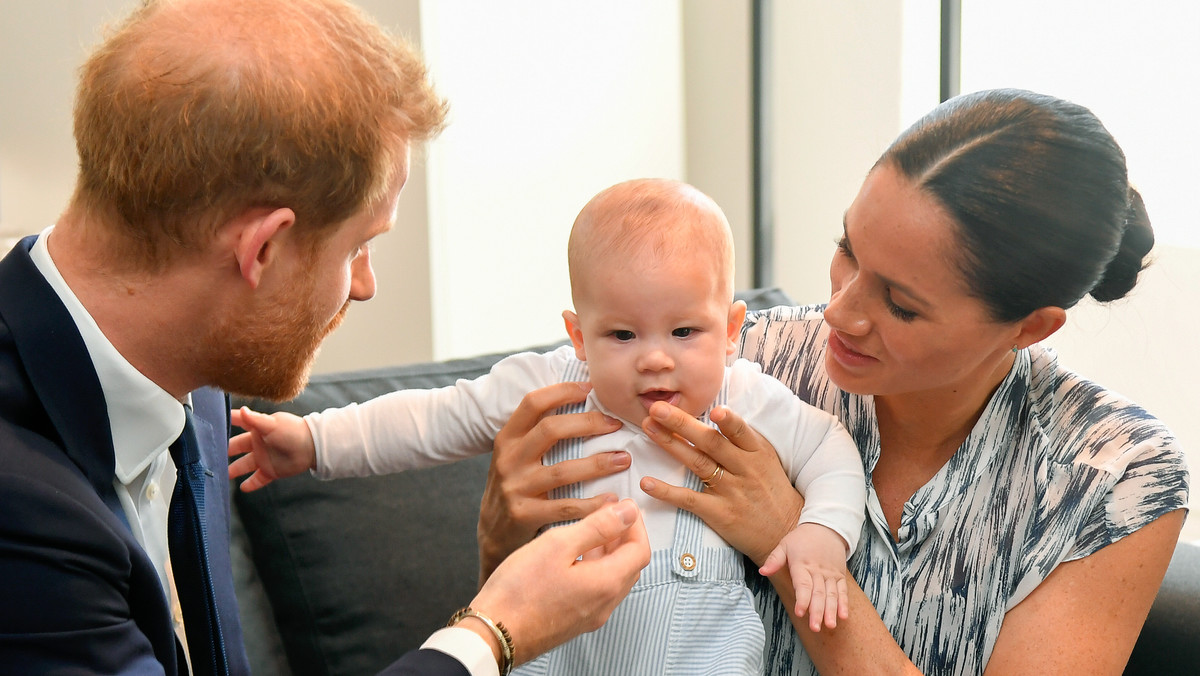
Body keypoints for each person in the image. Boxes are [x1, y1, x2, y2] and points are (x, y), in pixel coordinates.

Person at [0, 1, 650, 675]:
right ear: (264, 249)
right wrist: (493, 635)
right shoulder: (22, 512)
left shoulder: (194, 373)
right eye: (359, 247)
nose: (364, 285)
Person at [476, 89, 1191, 674]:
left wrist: (790, 541)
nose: (840, 313)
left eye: (900, 304)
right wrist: (503, 534)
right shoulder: (742, 360)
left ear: (1029, 328)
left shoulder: (1113, 479)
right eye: (847, 251)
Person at [229, 177, 867, 674]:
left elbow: (830, 451)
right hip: (565, 651)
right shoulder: (550, 385)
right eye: (621, 334)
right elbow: (430, 417)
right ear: (577, 335)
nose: (654, 357)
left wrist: (820, 535)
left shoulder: (744, 396)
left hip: (707, 655)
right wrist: (313, 441)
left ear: (730, 331)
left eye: (684, 331)